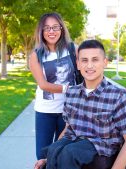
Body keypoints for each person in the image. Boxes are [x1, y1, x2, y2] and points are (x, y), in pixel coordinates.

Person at [34, 40, 126, 169]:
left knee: (69, 152)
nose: (89, 65)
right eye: (84, 60)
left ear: (104, 63)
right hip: (73, 150)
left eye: (95, 60)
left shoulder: (118, 95)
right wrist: (50, 158)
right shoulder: (71, 92)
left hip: (102, 153)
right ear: (77, 64)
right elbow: (68, 129)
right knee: (53, 149)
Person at [29, 12, 77, 160]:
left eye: (55, 27)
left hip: (69, 110)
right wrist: (68, 89)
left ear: (62, 29)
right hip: (45, 112)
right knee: (43, 155)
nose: (51, 31)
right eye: (47, 28)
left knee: (63, 154)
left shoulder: (72, 49)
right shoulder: (35, 55)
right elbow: (43, 85)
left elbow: (87, 70)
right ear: (41, 31)